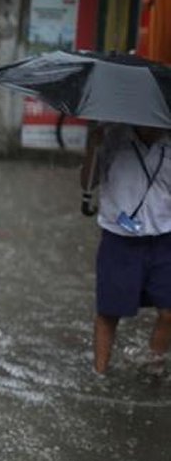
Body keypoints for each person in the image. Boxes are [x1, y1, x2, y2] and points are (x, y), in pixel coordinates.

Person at [81, 122, 171, 376]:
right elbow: (88, 182)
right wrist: (92, 145)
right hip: (119, 239)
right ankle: (99, 374)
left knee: (168, 312)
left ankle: (153, 367)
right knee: (109, 312)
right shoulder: (113, 137)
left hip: (165, 238)